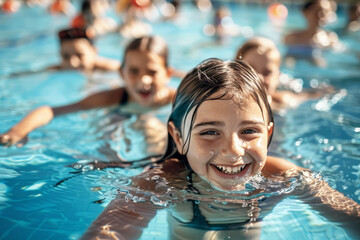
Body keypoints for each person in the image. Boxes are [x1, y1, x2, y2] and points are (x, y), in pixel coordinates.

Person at [79, 59, 360, 239]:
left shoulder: (284, 178)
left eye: (249, 131)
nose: (233, 150)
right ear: (178, 137)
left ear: (269, 133)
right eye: (210, 132)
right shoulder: (160, 184)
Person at [0, 36, 176, 147]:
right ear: (122, 73)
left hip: (151, 129)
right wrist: (18, 131)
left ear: (168, 74)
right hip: (117, 118)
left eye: (152, 72)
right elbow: (51, 111)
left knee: (152, 129)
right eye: (134, 71)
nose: (143, 80)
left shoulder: (179, 99)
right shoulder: (113, 97)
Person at [235, 36, 334, 112]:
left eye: (267, 72)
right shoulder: (224, 101)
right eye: (250, 69)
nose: (258, 77)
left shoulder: (282, 102)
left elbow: (309, 95)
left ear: (277, 77)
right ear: (235, 72)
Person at [7, 28, 120, 77]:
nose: (72, 63)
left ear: (94, 52)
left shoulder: (113, 69)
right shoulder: (58, 68)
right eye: (65, 56)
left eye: (79, 55)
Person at [283, 0, 343, 67]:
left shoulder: (331, 38)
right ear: (305, 12)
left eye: (326, 12)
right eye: (318, 11)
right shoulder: (291, 38)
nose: (321, 15)